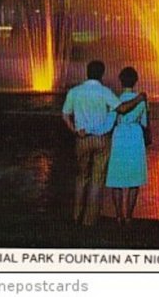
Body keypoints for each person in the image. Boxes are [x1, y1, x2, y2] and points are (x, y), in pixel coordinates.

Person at [62, 60, 145, 227]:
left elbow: (65, 115)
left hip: (82, 138)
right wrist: (139, 99)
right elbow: (121, 109)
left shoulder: (75, 91)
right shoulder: (105, 92)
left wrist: (75, 130)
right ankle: (89, 220)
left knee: (81, 178)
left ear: (87, 72)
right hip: (101, 139)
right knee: (97, 179)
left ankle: (76, 216)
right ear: (102, 74)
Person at [106, 66, 148, 225]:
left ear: (120, 81)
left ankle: (118, 216)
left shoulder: (115, 100)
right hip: (135, 138)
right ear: (136, 81)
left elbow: (110, 123)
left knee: (116, 179)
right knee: (133, 180)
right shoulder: (141, 101)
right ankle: (129, 217)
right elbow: (144, 122)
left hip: (119, 137)